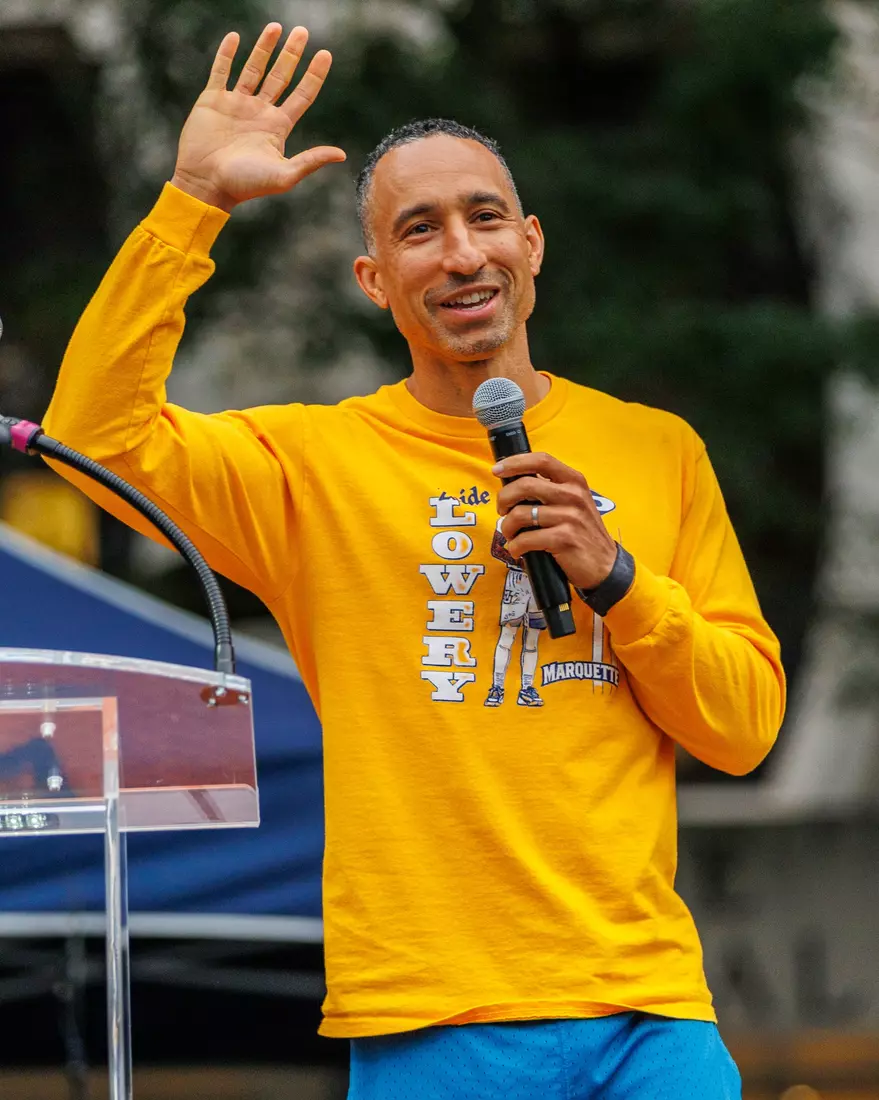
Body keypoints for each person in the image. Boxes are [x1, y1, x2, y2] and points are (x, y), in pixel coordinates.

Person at [44, 23, 786, 1100]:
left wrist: (619, 579)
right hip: (432, 1016)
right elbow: (95, 437)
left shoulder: (661, 448)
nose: (462, 252)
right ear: (375, 279)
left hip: (648, 1011)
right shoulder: (310, 462)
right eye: (420, 230)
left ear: (532, 243)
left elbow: (745, 724)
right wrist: (192, 203)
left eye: (485, 217)